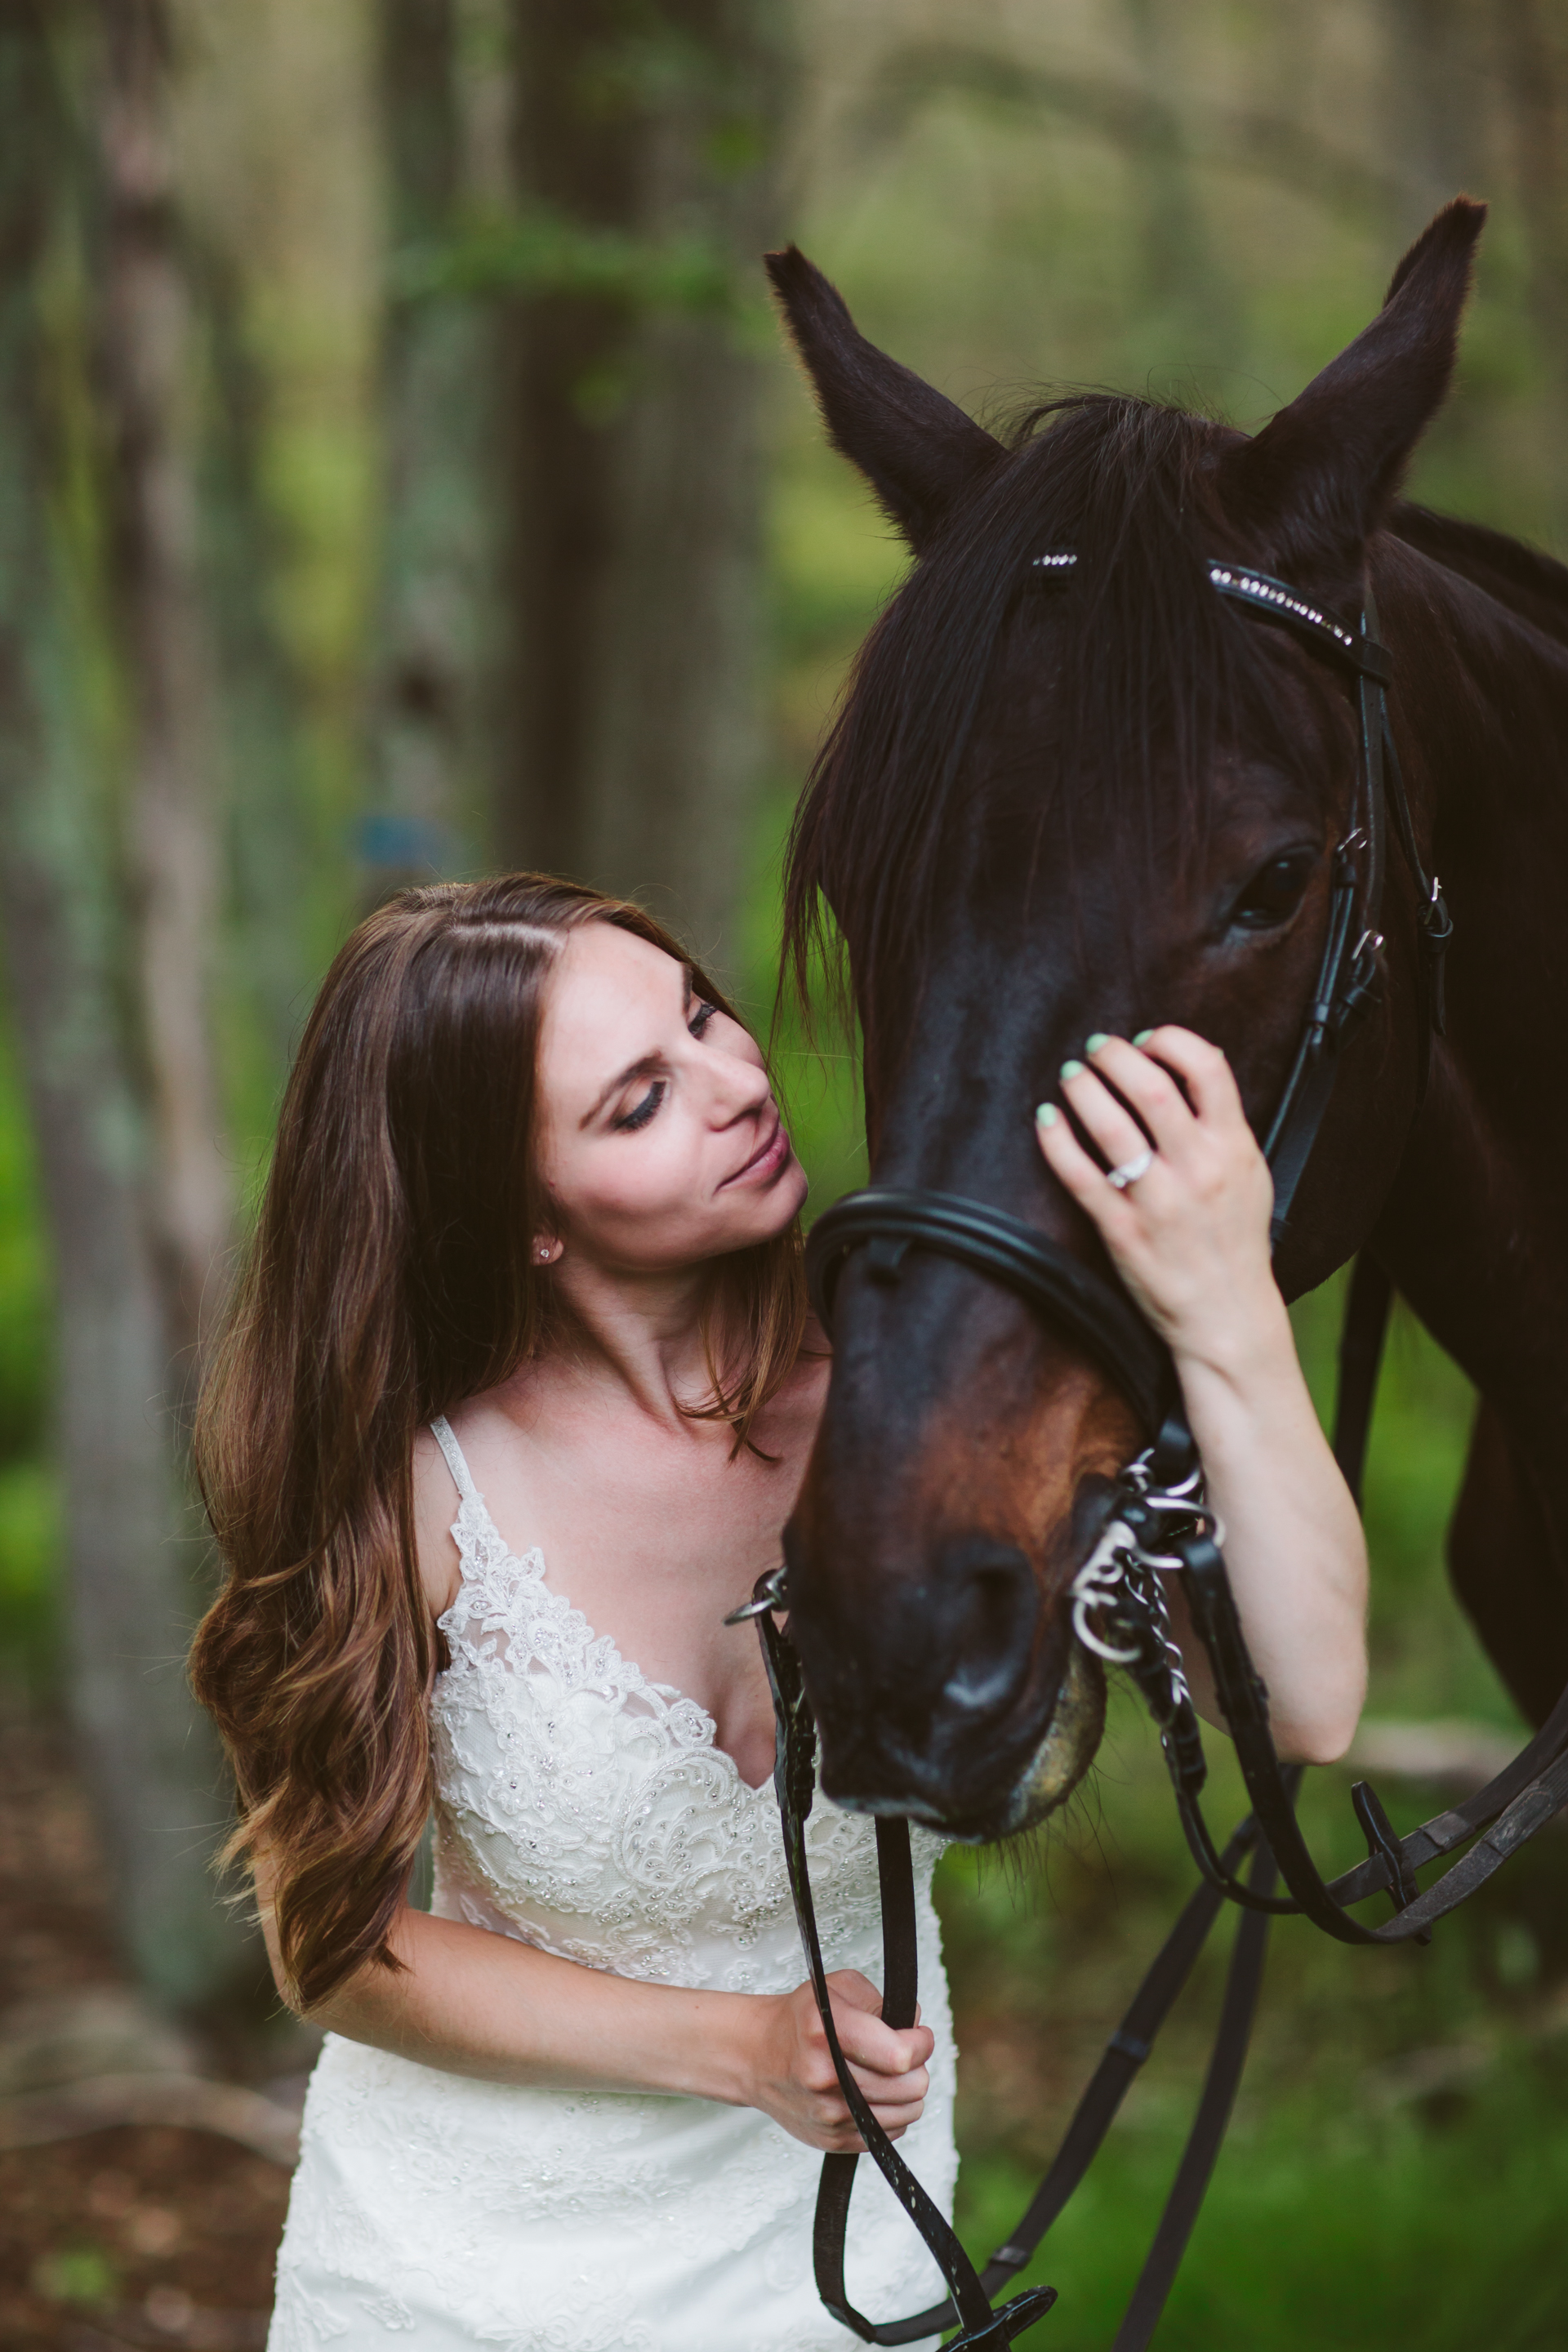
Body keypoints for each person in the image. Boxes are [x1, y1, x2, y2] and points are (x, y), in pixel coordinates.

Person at [189, 873, 1367, 2352]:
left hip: (848, 2280)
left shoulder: (932, 1408)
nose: (740, 1084)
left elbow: (1308, 1701)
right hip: (456, 2286)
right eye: (639, 1104)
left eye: (704, 1016)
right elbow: (336, 1946)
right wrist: (739, 2047)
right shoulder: (424, 1488)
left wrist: (1226, 1309)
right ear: (523, 1216)